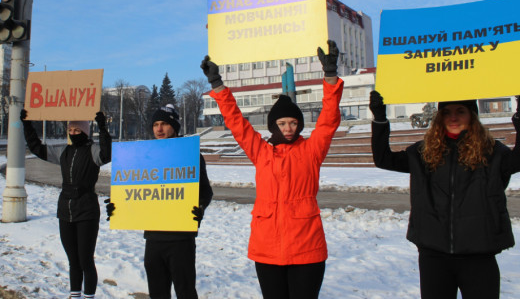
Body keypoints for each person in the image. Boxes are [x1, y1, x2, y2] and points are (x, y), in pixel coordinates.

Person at [200, 40, 343, 299]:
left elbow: (329, 120)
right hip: (267, 248)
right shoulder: (261, 151)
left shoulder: (312, 151)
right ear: (273, 126)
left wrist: (330, 77)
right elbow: (236, 122)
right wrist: (217, 85)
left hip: (306, 247)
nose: (288, 128)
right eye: (282, 123)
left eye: (293, 123)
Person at [369, 91, 520, 299]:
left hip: (479, 255)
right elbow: (383, 159)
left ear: (472, 115)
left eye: (461, 111)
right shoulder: (424, 152)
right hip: (434, 255)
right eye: (447, 112)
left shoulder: (492, 153)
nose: (453, 117)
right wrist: (379, 118)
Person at [106, 104, 213, 299]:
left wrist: (201, 206)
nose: (159, 129)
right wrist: (117, 205)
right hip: (153, 239)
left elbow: (206, 191)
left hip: (181, 239)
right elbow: (136, 188)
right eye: (155, 124)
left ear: (174, 126)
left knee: (185, 292)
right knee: (157, 293)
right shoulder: (146, 155)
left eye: (164, 123)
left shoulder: (190, 156)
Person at [20, 109, 112, 299]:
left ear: (85, 132)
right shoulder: (64, 151)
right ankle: (75, 295)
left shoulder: (92, 151)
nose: (73, 133)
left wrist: (103, 127)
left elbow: (106, 153)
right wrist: (27, 125)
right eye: (70, 130)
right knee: (73, 261)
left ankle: (89, 296)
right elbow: (37, 148)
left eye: (77, 130)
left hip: (87, 210)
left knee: (86, 260)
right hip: (65, 210)